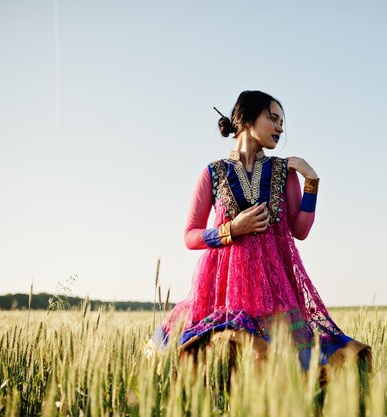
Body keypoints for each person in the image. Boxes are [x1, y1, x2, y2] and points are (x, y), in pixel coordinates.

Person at [150, 90, 370, 373]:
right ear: (246, 119)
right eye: (273, 118)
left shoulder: (284, 171)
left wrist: (311, 182)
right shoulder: (213, 173)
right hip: (222, 294)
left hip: (274, 292)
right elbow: (190, 236)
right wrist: (231, 229)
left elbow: (300, 230)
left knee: (281, 367)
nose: (280, 127)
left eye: (282, 121)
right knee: (216, 367)